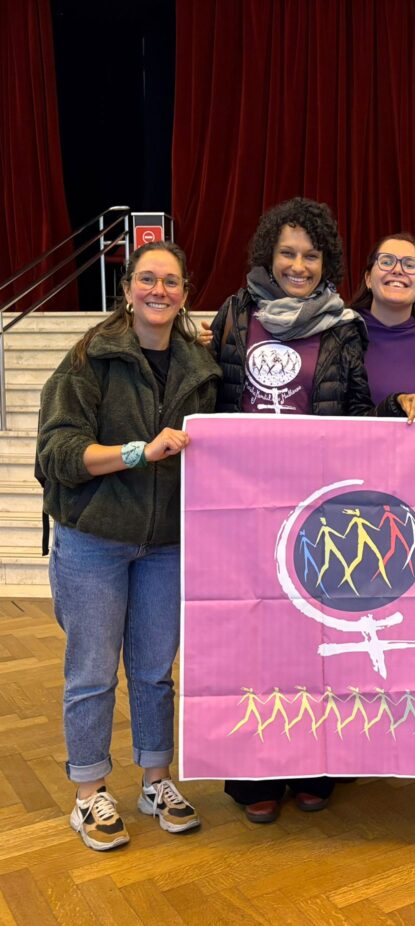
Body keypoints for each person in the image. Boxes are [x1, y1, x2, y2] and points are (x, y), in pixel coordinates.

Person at [37, 241, 220, 851]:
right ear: (127, 288)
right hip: (94, 540)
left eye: (171, 281)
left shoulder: (202, 365)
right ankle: (89, 792)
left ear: (186, 292)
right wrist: (139, 451)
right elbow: (58, 454)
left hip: (167, 544)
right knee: (90, 672)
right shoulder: (91, 357)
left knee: (153, 670)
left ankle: (155, 780)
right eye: (148, 279)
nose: (159, 291)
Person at [209, 197, 377, 822]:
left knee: (316, 643)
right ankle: (253, 775)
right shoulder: (233, 314)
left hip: (319, 510)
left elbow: (357, 410)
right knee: (249, 639)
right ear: (268, 257)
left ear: (326, 262)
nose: (298, 266)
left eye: (311, 256)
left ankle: (314, 767)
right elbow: (213, 392)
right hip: (241, 507)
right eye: (287, 253)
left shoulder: (343, 325)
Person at [348, 232, 415, 408]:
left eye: (409, 265)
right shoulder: (342, 329)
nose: (398, 270)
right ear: (368, 279)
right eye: (386, 262)